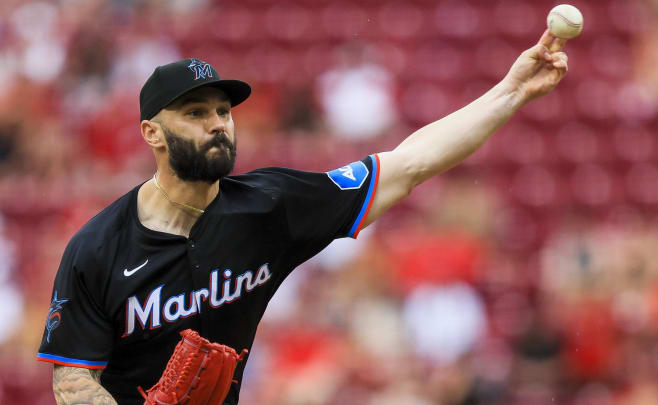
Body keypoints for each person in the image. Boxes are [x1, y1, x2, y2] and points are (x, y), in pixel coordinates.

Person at [38, 30, 569, 405]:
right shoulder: (97, 247)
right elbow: (73, 382)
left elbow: (407, 165)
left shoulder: (271, 206)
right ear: (153, 132)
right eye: (196, 113)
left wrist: (512, 91)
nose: (218, 124)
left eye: (223, 111)